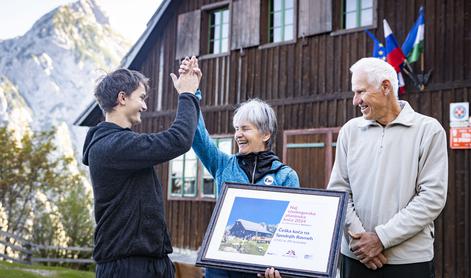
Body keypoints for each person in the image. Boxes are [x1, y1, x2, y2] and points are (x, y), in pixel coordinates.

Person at [326, 57, 448, 278]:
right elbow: (339, 191)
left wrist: (381, 238)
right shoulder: (349, 131)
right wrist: (361, 241)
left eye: (361, 92)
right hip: (356, 257)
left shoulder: (429, 131)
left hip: (409, 261)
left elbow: (432, 198)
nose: (355, 101)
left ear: (385, 87)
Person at [179, 60, 299, 278]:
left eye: (245, 128)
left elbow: (290, 232)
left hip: (261, 271)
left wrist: (281, 269)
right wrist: (192, 92)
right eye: (236, 129)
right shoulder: (223, 165)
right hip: (219, 267)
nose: (238, 134)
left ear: (265, 134)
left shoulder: (286, 176)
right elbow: (199, 137)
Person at [82, 57, 201, 278]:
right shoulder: (113, 146)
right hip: (128, 268)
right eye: (141, 98)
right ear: (122, 98)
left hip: (148, 263)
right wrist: (187, 94)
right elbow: (179, 139)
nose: (145, 106)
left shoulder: (119, 145)